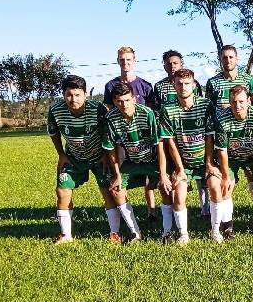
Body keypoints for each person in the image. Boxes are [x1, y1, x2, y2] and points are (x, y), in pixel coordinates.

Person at [47, 75, 116, 243]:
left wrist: (106, 156)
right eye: (69, 94)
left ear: (85, 94)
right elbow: (53, 132)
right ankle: (66, 235)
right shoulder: (55, 110)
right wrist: (61, 155)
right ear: (63, 95)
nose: (73, 99)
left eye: (77, 95)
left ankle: (115, 233)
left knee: (109, 193)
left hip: (99, 157)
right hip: (73, 158)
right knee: (62, 193)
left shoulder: (98, 108)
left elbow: (108, 133)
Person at [103, 81, 168, 242]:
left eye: (126, 100)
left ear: (134, 98)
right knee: (116, 189)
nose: (123, 104)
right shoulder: (111, 118)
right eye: (119, 101)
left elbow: (159, 145)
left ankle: (167, 232)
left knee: (166, 187)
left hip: (152, 159)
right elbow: (111, 148)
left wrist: (163, 174)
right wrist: (117, 174)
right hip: (131, 161)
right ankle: (135, 232)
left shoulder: (147, 113)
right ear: (114, 101)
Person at [209, 85, 253, 240]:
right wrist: (226, 176)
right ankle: (228, 227)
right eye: (233, 102)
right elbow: (222, 151)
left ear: (248, 101)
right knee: (226, 186)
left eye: (241, 101)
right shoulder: (222, 119)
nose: (237, 106)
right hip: (231, 157)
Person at [205, 45, 253, 220]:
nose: (228, 60)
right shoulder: (213, 82)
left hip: (246, 134)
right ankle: (221, 214)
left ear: (237, 59)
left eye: (231, 57)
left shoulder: (249, 80)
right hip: (223, 135)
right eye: (224, 57)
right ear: (220, 60)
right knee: (225, 175)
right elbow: (209, 109)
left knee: (252, 174)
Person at [159, 69, 215, 245]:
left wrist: (208, 163)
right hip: (184, 164)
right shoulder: (168, 110)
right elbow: (171, 142)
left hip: (204, 161)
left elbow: (209, 137)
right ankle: (183, 234)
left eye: (187, 83)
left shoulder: (205, 105)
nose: (183, 87)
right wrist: (180, 169)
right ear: (173, 85)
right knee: (179, 196)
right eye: (179, 84)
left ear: (194, 85)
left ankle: (216, 230)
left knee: (215, 187)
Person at [103, 46, 158, 221]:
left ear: (134, 61)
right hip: (121, 140)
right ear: (118, 61)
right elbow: (110, 112)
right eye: (122, 59)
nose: (125, 62)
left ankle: (152, 211)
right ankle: (128, 217)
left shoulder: (145, 85)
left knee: (149, 178)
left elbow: (150, 112)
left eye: (128, 59)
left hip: (142, 139)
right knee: (120, 176)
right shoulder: (111, 85)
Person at [153, 49, 209, 219]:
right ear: (164, 66)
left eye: (175, 63)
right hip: (172, 130)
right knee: (176, 172)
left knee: (202, 176)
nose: (172, 66)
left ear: (181, 64)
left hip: (193, 132)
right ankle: (171, 212)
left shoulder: (194, 84)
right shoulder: (159, 86)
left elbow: (198, 106)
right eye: (169, 63)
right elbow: (156, 109)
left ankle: (205, 207)